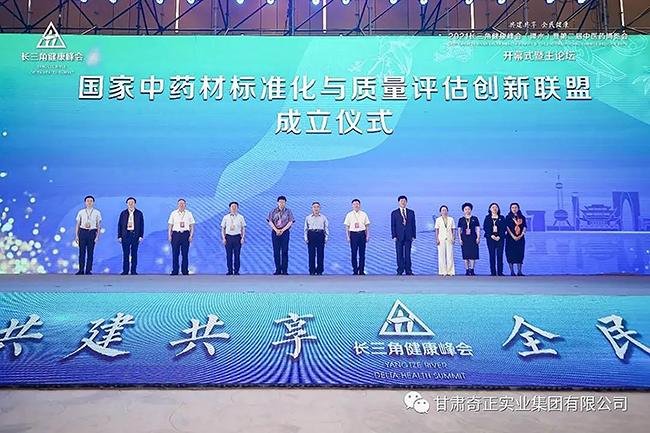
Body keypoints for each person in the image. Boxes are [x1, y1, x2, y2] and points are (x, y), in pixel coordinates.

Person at [267, 196, 294, 275]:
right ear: (277, 203)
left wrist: (283, 230)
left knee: (285, 251)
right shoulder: (273, 211)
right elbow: (270, 221)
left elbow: (290, 221)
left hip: (285, 232)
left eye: (283, 202)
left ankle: (284, 270)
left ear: (285, 203)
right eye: (280, 202)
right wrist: (276, 230)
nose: (281, 203)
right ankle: (278, 269)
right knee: (276, 251)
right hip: (275, 232)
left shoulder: (288, 211)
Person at [75, 195, 101, 275]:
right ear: (85, 202)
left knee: (90, 252)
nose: (89, 202)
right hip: (82, 232)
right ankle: (81, 270)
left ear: (93, 202)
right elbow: (77, 224)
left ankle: (88, 270)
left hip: (92, 232)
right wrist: (76, 235)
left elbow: (98, 225)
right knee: (81, 252)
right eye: (87, 201)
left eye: (91, 201)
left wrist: (97, 236)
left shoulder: (97, 212)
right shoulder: (81, 212)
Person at [167, 198, 195, 276]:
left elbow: (192, 225)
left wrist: (191, 235)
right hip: (176, 234)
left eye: (183, 203)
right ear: (177, 204)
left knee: (185, 253)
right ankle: (175, 270)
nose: (181, 205)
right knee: (175, 253)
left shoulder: (189, 213)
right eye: (180, 203)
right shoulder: (173, 213)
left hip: (185, 234)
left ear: (185, 205)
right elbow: (170, 225)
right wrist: (169, 235)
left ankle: (185, 271)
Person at [117, 197, 144, 275]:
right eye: (129, 202)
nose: (131, 204)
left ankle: (133, 270)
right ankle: (125, 270)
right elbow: (120, 225)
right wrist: (119, 236)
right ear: (127, 204)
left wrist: (141, 235)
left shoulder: (139, 213)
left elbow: (141, 225)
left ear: (135, 204)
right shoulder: (123, 213)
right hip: (125, 235)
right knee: (125, 254)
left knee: (134, 253)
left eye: (132, 202)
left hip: (135, 235)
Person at [391, 195, 416, 275]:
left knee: (408, 254)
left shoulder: (411, 212)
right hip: (398, 236)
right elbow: (393, 225)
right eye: (401, 201)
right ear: (398, 202)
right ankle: (400, 270)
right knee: (399, 254)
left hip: (408, 236)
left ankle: (408, 270)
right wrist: (394, 236)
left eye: (404, 201)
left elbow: (413, 224)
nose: (403, 202)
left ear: (406, 202)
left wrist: (413, 235)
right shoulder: (394, 213)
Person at [344, 199, 370, 275]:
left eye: (357, 204)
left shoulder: (364, 214)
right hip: (353, 234)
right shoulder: (349, 215)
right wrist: (347, 236)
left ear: (359, 205)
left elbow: (367, 226)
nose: (356, 205)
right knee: (354, 253)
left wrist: (367, 235)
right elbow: (347, 227)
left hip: (362, 234)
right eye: (354, 204)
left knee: (362, 253)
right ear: (352, 205)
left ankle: (361, 270)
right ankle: (355, 270)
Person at [304, 202, 329, 275]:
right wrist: (305, 237)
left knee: (320, 253)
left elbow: (326, 228)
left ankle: (320, 270)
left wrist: (326, 237)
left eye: (317, 207)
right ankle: (312, 270)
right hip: (311, 234)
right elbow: (305, 228)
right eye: (314, 207)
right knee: (311, 253)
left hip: (320, 234)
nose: (316, 208)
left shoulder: (323, 217)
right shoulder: (308, 218)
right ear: (312, 208)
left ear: (320, 208)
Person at [221, 202, 246, 275]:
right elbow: (223, 228)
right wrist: (223, 238)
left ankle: (236, 271)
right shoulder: (225, 217)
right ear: (230, 208)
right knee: (229, 255)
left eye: (235, 207)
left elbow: (243, 228)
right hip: (228, 237)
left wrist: (243, 237)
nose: (234, 208)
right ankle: (230, 270)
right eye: (232, 207)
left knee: (237, 255)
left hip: (237, 237)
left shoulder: (241, 217)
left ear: (237, 208)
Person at [483, 202, 506, 276]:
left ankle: (500, 272)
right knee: (491, 254)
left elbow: (504, 228)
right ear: (490, 209)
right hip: (490, 238)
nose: (494, 208)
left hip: (500, 238)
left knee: (500, 255)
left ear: (498, 209)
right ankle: (493, 272)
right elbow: (485, 227)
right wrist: (491, 235)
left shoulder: (502, 217)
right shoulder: (487, 218)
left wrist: (499, 236)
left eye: (496, 207)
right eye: (493, 207)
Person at [458, 202, 480, 275]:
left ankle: (472, 269)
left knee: (473, 254)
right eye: (465, 209)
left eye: (468, 209)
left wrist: (478, 237)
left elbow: (477, 228)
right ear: (463, 210)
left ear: (471, 210)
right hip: (464, 238)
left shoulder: (475, 218)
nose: (467, 210)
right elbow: (459, 230)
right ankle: (467, 270)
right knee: (466, 254)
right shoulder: (461, 219)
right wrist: (460, 239)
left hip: (473, 237)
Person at [505, 202, 527, 276]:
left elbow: (524, 227)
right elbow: (507, 228)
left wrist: (521, 235)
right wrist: (513, 236)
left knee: (520, 253)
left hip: (520, 238)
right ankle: (512, 271)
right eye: (513, 208)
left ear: (518, 208)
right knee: (510, 254)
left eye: (516, 207)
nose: (514, 209)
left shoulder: (522, 217)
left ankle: (519, 271)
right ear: (510, 209)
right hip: (510, 238)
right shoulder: (508, 217)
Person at [435, 205, 456, 276]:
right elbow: (437, 230)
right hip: (441, 238)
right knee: (441, 255)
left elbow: (453, 229)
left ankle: (450, 271)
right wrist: (437, 239)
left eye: (445, 210)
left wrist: (453, 237)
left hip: (449, 238)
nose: (444, 211)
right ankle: (442, 271)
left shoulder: (451, 219)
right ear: (440, 212)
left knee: (450, 255)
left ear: (447, 211)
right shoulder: (438, 220)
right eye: (442, 210)